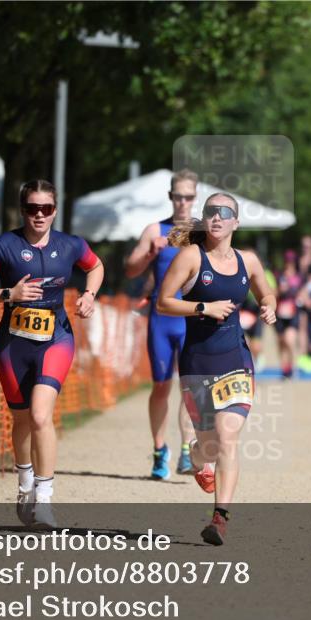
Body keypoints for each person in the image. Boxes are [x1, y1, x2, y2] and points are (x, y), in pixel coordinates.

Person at [0, 179, 104, 528]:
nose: (39, 215)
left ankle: (44, 499)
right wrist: (8, 294)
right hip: (14, 344)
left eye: (46, 208)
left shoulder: (70, 245)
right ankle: (25, 483)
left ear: (55, 210)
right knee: (22, 418)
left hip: (56, 337)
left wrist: (89, 295)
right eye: (32, 208)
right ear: (22, 209)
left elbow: (96, 266)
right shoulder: (3, 246)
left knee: (41, 415)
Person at [157, 193, 277, 546]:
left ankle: (219, 519)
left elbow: (267, 294)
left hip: (235, 361)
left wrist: (269, 307)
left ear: (236, 222)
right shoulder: (191, 257)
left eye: (225, 213)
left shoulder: (249, 261)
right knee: (208, 448)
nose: (217, 217)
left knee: (228, 438)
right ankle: (195, 453)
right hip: (197, 364)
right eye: (211, 212)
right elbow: (164, 303)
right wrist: (202, 308)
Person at [124, 169, 198, 479]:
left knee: (191, 387)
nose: (183, 202)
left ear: (196, 198)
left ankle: (186, 449)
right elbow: (130, 269)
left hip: (193, 318)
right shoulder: (155, 229)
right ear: (170, 197)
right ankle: (159, 451)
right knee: (161, 386)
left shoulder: (206, 231)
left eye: (188, 196)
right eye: (178, 196)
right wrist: (150, 252)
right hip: (162, 320)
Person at [275, 250, 303, 378]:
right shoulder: (279, 275)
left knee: (289, 340)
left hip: (293, 313)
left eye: (291, 261)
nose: (289, 263)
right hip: (280, 313)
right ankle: (285, 368)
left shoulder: (299, 277)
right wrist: (279, 292)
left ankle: (292, 366)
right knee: (281, 342)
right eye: (287, 260)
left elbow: (303, 293)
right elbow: (273, 293)